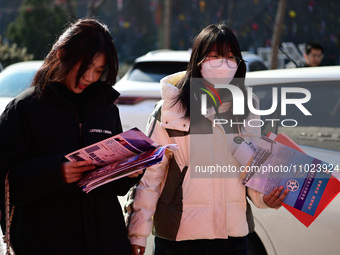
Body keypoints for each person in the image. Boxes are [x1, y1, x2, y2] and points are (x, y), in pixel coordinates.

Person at [124, 22, 289, 255]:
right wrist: (137, 234)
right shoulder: (170, 109)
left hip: (233, 237)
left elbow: (251, 167)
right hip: (179, 237)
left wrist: (266, 198)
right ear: (198, 60)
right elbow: (150, 177)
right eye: (214, 56)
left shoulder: (247, 109)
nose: (224, 64)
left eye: (231, 57)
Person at [0, 18, 141, 254]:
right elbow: (5, 180)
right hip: (46, 243)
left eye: (98, 70)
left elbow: (114, 188)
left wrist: (129, 171)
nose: (90, 77)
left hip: (106, 243)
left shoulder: (106, 109)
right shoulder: (24, 109)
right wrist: (56, 171)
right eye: (84, 68)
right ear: (62, 54)